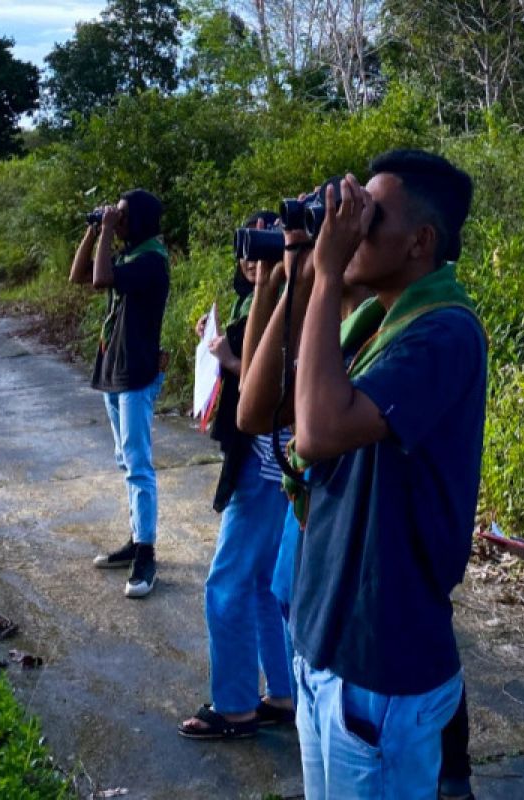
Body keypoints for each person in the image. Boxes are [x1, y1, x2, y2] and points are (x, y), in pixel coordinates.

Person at [289, 150, 487, 800]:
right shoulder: (375, 320)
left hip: (379, 665)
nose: (350, 229)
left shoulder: (444, 334)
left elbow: (317, 432)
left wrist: (325, 275)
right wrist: (305, 272)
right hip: (328, 645)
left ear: (419, 243)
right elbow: (269, 408)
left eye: (368, 219)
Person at [177, 211, 295, 739]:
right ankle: (282, 693)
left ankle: (235, 706)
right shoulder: (259, 301)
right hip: (266, 460)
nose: (253, 258)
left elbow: (269, 389)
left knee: (226, 582)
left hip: (268, 462)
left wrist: (227, 357)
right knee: (266, 585)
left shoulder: (294, 300)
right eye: (247, 245)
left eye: (267, 243)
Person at [70, 189, 169, 599]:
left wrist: (108, 228)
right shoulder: (130, 255)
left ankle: (146, 553)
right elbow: (80, 276)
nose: (119, 220)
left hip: (137, 371)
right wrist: (95, 233)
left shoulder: (151, 260)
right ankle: (135, 538)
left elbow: (101, 279)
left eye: (125, 215)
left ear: (142, 220)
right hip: (114, 365)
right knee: (123, 460)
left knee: (138, 463)